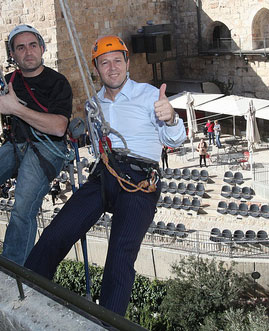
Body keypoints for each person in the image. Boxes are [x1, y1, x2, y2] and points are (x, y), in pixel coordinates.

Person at [24, 35, 185, 315]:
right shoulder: (93, 105)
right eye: (104, 63)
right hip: (104, 174)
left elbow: (174, 141)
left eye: (117, 61)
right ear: (96, 69)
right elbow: (100, 146)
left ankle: (109, 323)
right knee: (56, 233)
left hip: (140, 180)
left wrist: (170, 118)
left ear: (127, 64)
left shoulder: (149, 96)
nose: (112, 68)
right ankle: (27, 290)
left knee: (119, 259)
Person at [0, 24, 72, 265]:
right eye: (21, 48)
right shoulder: (10, 81)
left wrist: (16, 108)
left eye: (32, 45)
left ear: (41, 49)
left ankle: (13, 266)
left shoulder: (58, 82)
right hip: (17, 145)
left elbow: (59, 127)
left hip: (48, 148)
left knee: (23, 206)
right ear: (13, 55)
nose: (28, 52)